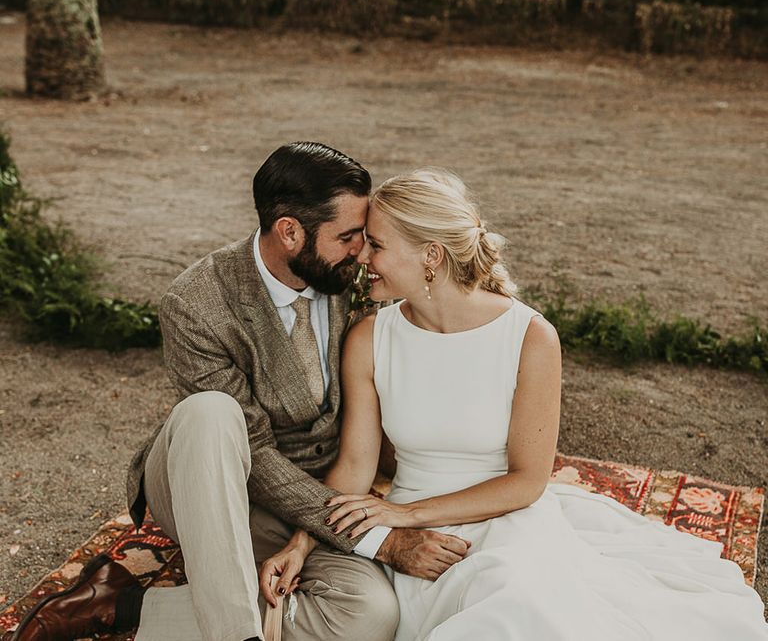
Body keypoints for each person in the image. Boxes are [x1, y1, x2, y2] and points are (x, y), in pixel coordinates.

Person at [267, 168, 768, 640]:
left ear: (431, 256)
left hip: (506, 520)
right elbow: (356, 464)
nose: (362, 258)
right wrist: (301, 542)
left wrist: (408, 516)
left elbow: (527, 481)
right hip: (419, 536)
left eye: (376, 245)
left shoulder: (529, 336)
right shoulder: (371, 337)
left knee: (514, 600)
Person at [8, 144, 472, 641]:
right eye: (348, 237)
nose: (363, 251)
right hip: (216, 481)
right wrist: (382, 541)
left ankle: (130, 605)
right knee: (211, 412)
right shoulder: (197, 303)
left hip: (325, 489)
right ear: (290, 232)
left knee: (370, 615)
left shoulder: (352, 276)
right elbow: (255, 452)